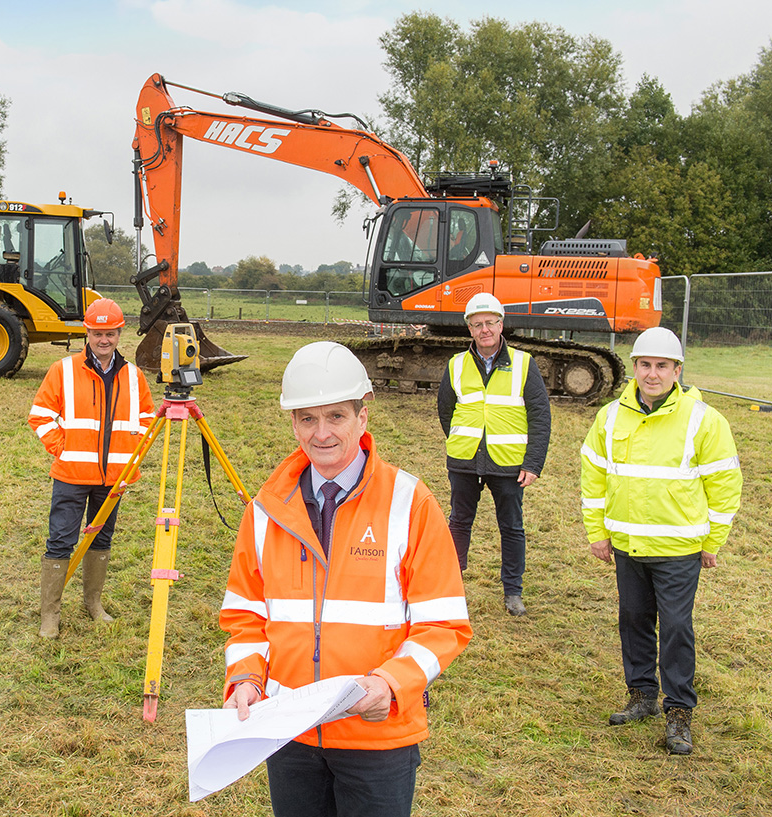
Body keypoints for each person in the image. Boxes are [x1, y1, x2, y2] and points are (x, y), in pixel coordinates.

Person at [220, 341, 471, 817]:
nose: (322, 433)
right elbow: (245, 614)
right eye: (308, 418)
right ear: (292, 423)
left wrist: (391, 684)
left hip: (376, 734)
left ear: (363, 415)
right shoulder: (264, 511)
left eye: (336, 416)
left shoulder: (410, 503)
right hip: (288, 734)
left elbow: (443, 626)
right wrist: (248, 678)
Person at [581, 326, 740, 755]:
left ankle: (679, 712)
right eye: (645, 365)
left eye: (662, 366)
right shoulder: (610, 416)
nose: (653, 374)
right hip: (628, 546)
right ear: (634, 368)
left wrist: (713, 542)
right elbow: (593, 477)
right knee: (633, 620)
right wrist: (598, 533)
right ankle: (642, 696)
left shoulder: (705, 420)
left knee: (674, 629)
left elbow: (725, 483)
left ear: (677, 370)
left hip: (679, 550)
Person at [29, 297, 155, 639]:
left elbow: (147, 421)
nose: (104, 340)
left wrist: (132, 456)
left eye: (110, 334)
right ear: (87, 332)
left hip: (114, 478)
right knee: (60, 541)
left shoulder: (133, 375)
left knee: (101, 539)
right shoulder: (63, 370)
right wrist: (63, 448)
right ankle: (50, 614)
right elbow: (39, 415)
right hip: (71, 476)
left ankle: (93, 603)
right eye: (98, 333)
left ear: (119, 333)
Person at [437, 292, 551, 616]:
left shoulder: (524, 364)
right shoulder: (456, 365)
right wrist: (463, 441)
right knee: (459, 522)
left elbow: (540, 416)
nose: (484, 329)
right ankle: (451, 588)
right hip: (465, 461)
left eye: (490, 322)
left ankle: (513, 591)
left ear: (501, 324)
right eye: (477, 324)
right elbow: (446, 410)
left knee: (512, 526)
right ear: (469, 329)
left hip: (509, 463)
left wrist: (533, 463)